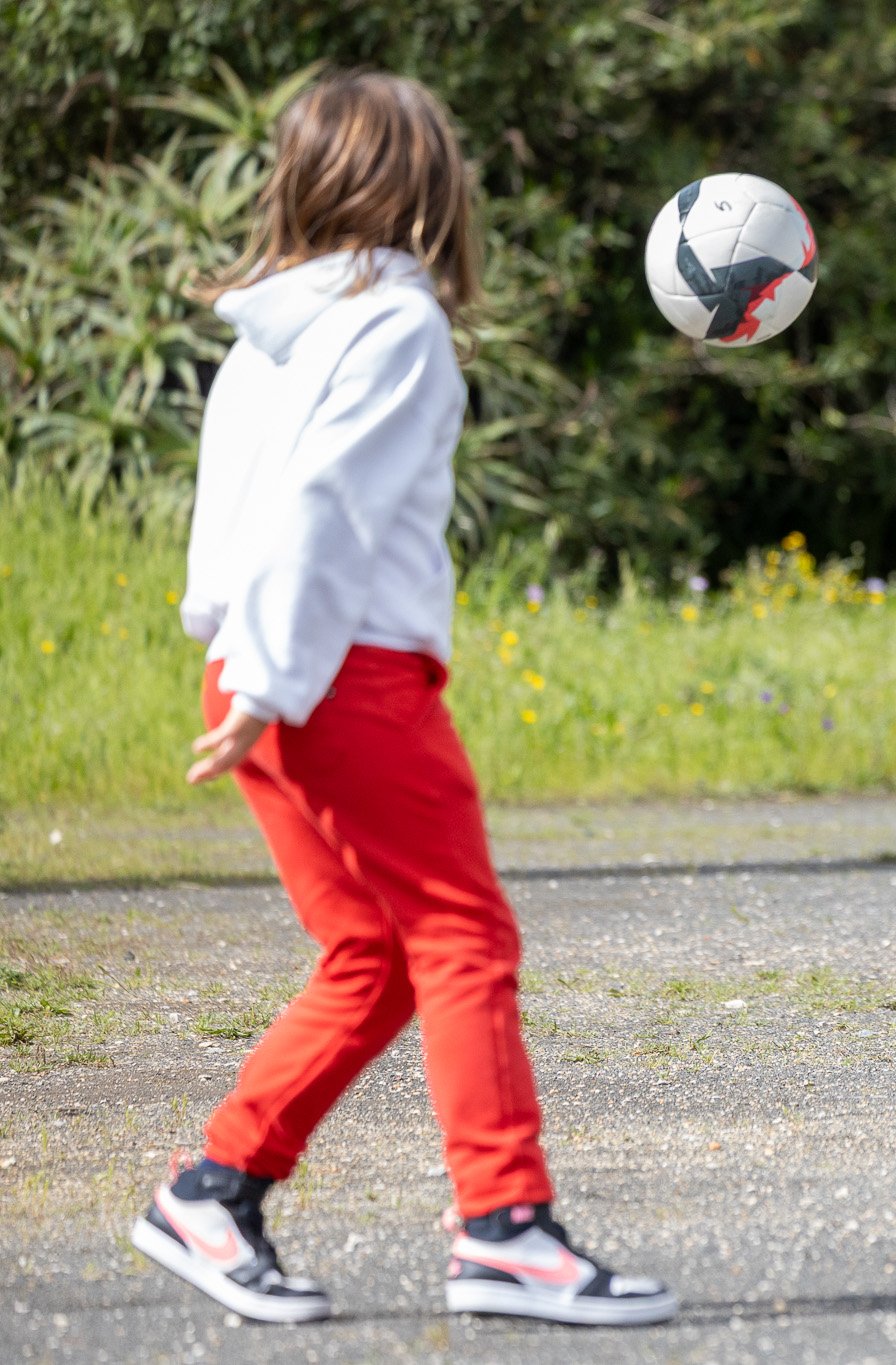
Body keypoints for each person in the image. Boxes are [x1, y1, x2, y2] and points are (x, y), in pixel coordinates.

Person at [127, 71, 677, 1327]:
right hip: (334, 673)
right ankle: (504, 1228)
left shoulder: (272, 327)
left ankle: (212, 1191)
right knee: (461, 934)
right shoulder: (397, 327)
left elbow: (241, 519)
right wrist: (276, 679)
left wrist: (245, 670)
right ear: (433, 189)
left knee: (374, 956)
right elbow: (318, 513)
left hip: (258, 664)